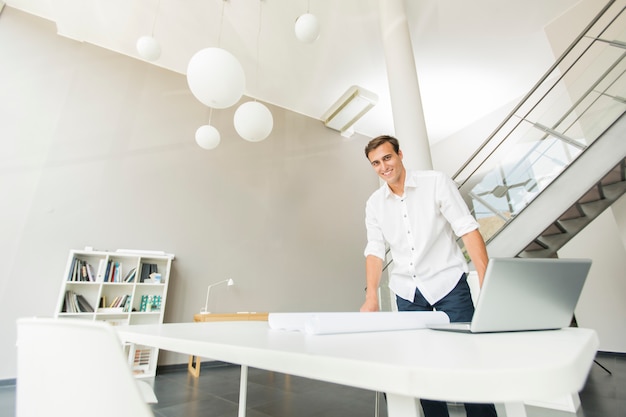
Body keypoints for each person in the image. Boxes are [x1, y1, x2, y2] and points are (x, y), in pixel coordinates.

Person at [360, 135, 497, 417]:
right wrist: (371, 296)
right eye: (376, 163)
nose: (383, 166)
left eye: (387, 157)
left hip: (448, 285)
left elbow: (467, 228)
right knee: (421, 367)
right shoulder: (374, 204)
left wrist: (485, 278)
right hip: (407, 292)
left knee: (468, 362)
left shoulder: (436, 182)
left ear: (400, 154)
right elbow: (374, 250)